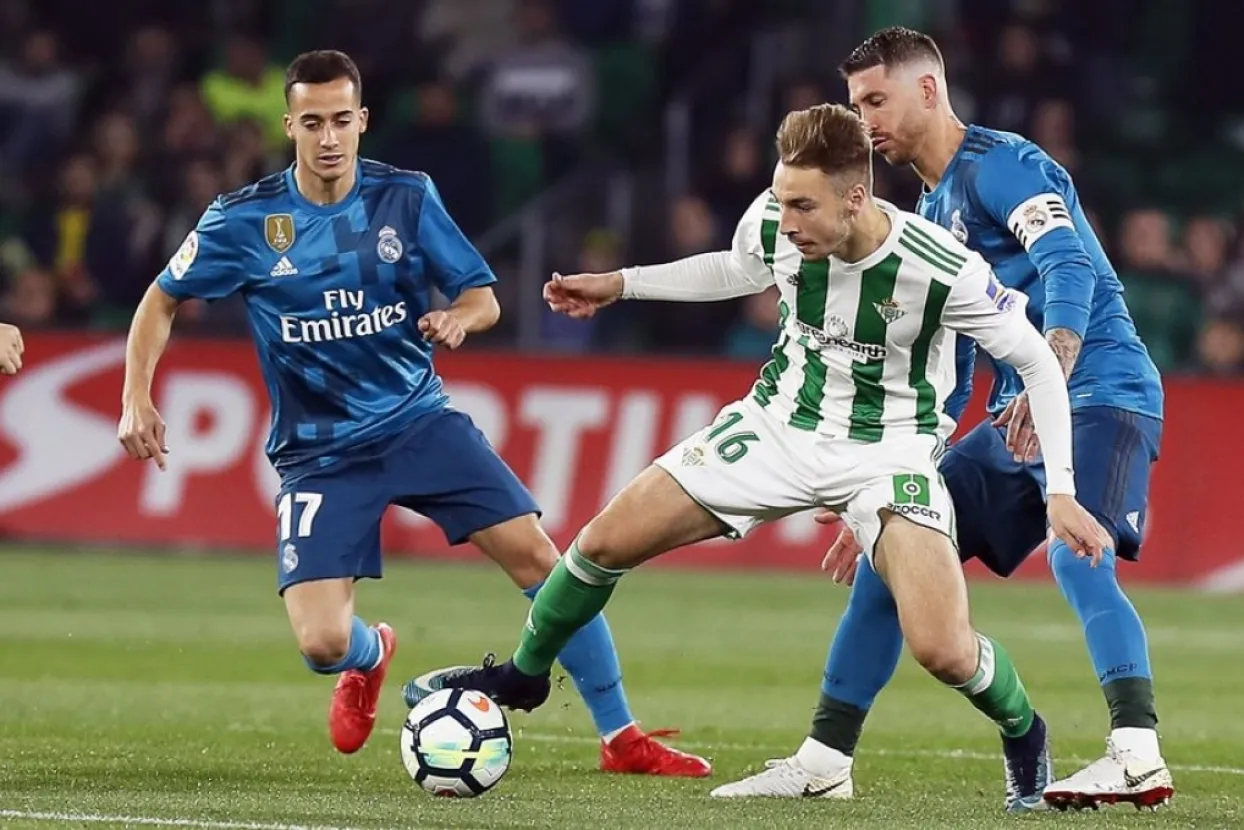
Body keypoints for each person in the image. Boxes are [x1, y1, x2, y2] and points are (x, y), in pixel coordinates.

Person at [405, 103, 1112, 811]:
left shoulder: (941, 267)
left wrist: (1060, 492)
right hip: (777, 425)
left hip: (889, 450)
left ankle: (1024, 730)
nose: (787, 219)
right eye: (781, 198)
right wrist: (620, 283)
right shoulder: (776, 220)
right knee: (600, 544)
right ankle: (525, 675)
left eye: (804, 206)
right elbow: (734, 269)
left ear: (855, 197)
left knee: (943, 648)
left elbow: (1037, 363)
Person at [116, 49, 709, 777]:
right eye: (312, 123)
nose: (328, 137)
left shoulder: (406, 197)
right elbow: (162, 298)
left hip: (417, 421)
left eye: (341, 120)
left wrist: (459, 319)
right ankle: (371, 656)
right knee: (322, 645)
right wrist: (136, 394)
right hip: (320, 451)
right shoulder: (244, 219)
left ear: (363, 120)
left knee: (544, 560)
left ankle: (622, 737)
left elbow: (483, 298)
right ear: (289, 126)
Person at [714, 27, 1172, 812]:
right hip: (1010, 420)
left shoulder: (1005, 166)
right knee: (889, 552)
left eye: (875, 100)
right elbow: (945, 372)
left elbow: (1069, 265)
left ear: (928, 90)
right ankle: (824, 760)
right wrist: (892, 479)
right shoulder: (928, 214)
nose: (862, 122)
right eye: (855, 105)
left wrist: (1054, 369)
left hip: (1100, 392)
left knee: (1076, 552)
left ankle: (1136, 754)